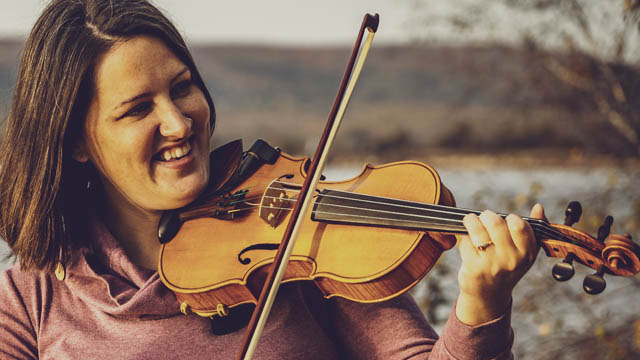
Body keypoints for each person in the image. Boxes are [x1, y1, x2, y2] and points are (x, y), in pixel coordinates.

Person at [0, 0, 543, 358]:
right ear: (74, 142)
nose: (179, 121)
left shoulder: (299, 233)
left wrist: (481, 303)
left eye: (183, 86)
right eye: (138, 108)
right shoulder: (29, 301)